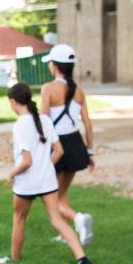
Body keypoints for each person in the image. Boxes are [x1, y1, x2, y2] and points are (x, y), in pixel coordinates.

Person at [0, 83, 95, 264]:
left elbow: (26, 161)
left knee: (19, 219)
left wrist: (11, 173)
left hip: (26, 183)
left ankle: (15, 259)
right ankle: (83, 261)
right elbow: (59, 150)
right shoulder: (45, 120)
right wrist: (46, 166)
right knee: (57, 220)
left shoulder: (19, 126)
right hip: (48, 181)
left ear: (14, 102)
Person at [40, 43, 95, 246]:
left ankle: (77, 218)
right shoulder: (79, 91)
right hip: (77, 145)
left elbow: (44, 122)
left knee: (49, 197)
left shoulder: (49, 89)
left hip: (58, 147)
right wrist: (90, 152)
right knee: (60, 193)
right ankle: (65, 234)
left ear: (54, 65)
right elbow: (88, 125)